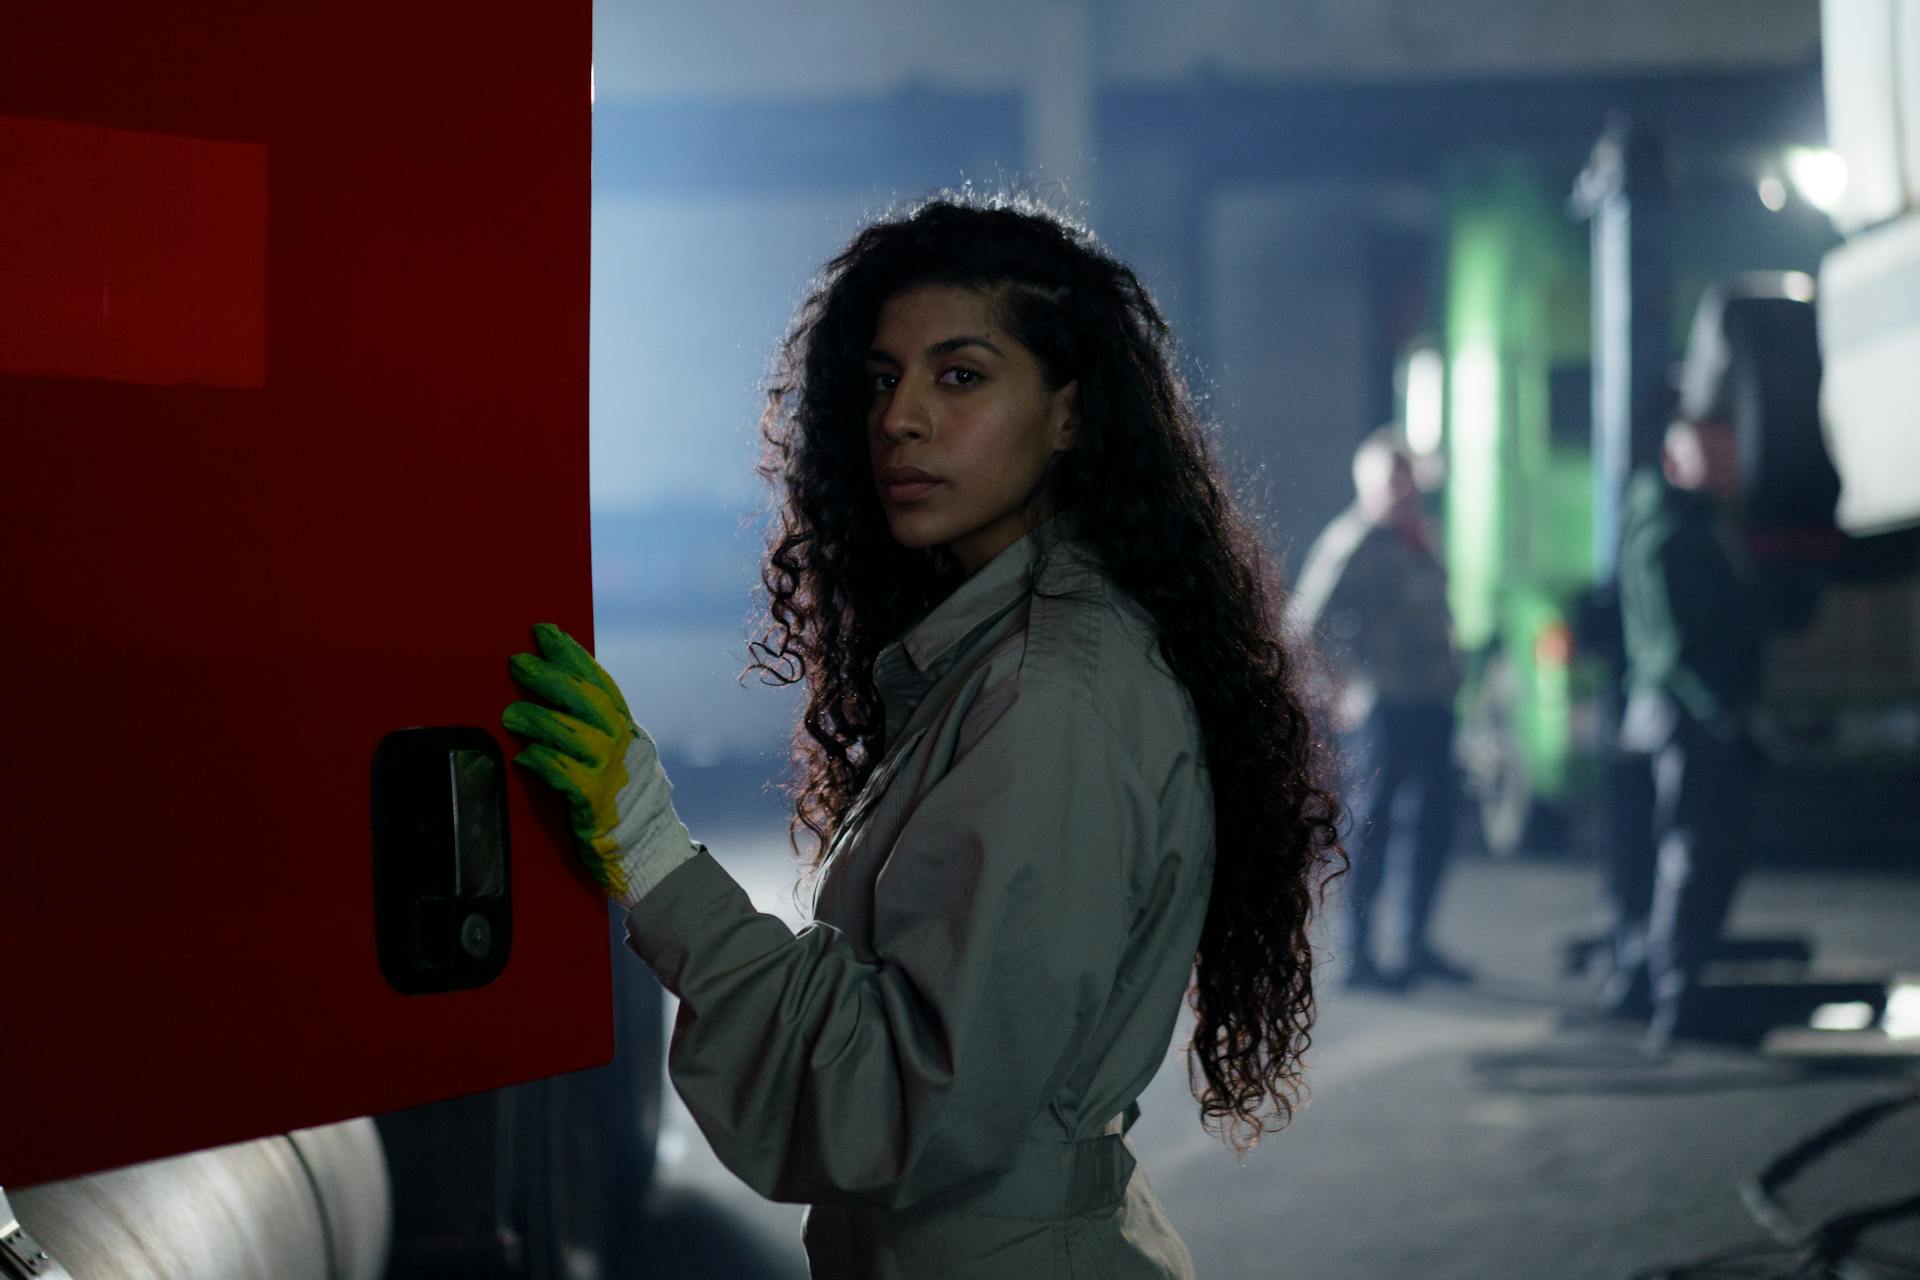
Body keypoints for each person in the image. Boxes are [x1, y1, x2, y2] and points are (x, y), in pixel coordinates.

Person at [499, 193, 1345, 1279]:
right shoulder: (999, 650)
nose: (901, 416)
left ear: (1072, 413)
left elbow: (903, 1095)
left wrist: (656, 854)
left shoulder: (1055, 694)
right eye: (883, 378)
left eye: (961, 375)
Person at [1288, 427, 1470, 991]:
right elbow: (1303, 627)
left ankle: (1414, 944)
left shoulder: (1416, 537)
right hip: (1383, 708)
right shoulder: (1353, 542)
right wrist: (1340, 687)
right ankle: (1359, 953)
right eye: (1391, 479)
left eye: (1406, 478)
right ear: (1367, 483)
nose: (1401, 489)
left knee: (1433, 825)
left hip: (1431, 701)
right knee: (1372, 829)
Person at [1611, 415, 1767, 1053]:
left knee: (1695, 854)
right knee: (1691, 856)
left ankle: (1664, 989)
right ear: (1677, 462)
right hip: (1687, 719)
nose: (1728, 467)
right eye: (1713, 455)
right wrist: (1722, 714)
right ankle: (1675, 1000)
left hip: (1689, 716)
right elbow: (1675, 644)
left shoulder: (1693, 522)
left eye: (1729, 453)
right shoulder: (1672, 531)